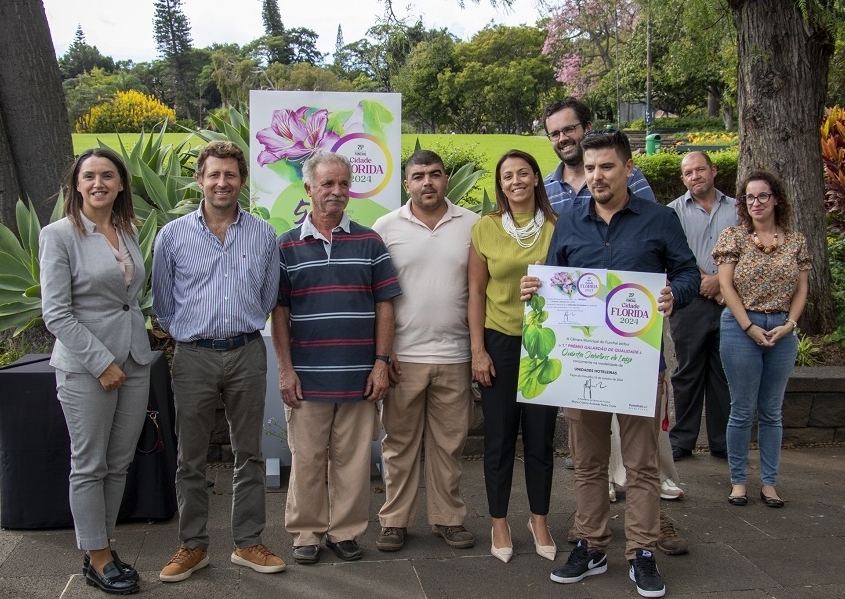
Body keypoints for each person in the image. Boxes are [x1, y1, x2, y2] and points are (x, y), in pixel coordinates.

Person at [521, 130, 698, 597]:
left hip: (637, 363)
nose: (597, 176)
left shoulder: (659, 220)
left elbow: (687, 273)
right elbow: (554, 280)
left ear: (628, 169)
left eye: (607, 167)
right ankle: (592, 544)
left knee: (640, 466)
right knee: (587, 462)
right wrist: (534, 291)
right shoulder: (571, 222)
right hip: (581, 365)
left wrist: (671, 294)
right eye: (591, 167)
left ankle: (641, 551)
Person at [152, 141, 285, 582]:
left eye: (230, 175)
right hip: (194, 357)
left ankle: (248, 543)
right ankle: (192, 546)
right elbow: (164, 304)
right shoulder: (172, 236)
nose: (222, 182)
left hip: (248, 352)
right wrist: (192, 335)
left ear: (242, 181)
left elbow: (268, 296)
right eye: (214, 174)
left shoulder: (263, 235)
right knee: (190, 458)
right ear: (200, 179)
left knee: (249, 453)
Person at [271, 151, 401, 565]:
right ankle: (306, 532)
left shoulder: (369, 241)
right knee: (307, 459)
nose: (337, 192)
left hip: (360, 376)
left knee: (352, 461)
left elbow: (385, 305)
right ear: (308, 189)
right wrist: (286, 370)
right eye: (327, 184)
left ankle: (345, 532)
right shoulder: (286, 245)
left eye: (343, 184)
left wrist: (381, 362)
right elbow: (280, 313)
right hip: (307, 378)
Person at [40, 148, 154, 595]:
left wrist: (125, 358)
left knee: (119, 463)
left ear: (122, 184)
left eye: (108, 175)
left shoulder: (125, 230)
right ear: (76, 184)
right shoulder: (59, 235)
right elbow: (56, 313)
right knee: (89, 465)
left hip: (135, 360)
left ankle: (103, 546)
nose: (98, 183)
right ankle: (98, 557)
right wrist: (102, 362)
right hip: (88, 366)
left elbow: (128, 300)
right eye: (89, 176)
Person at [371, 150, 478, 552]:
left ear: (446, 179)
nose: (427, 182)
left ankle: (448, 519)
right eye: (418, 176)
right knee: (398, 444)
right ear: (407, 184)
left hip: (456, 354)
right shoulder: (385, 227)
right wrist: (382, 352)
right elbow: (375, 295)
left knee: (449, 445)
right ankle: (394, 521)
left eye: (435, 174)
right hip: (404, 356)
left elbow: (479, 291)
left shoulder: (471, 224)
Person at [468, 149, 560, 564]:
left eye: (524, 173)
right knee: (500, 439)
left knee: (540, 439)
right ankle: (499, 520)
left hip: (545, 345)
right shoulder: (485, 229)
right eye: (507, 176)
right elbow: (474, 294)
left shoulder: (559, 227)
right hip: (500, 342)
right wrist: (477, 351)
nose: (516, 181)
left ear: (537, 178)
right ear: (500, 184)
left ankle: (538, 519)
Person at [713, 169, 811, 508]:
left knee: (771, 411)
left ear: (776, 199)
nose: (755, 202)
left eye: (762, 196)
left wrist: (790, 324)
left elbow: (802, 289)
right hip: (741, 327)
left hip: (782, 329)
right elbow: (725, 286)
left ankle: (769, 483)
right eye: (749, 197)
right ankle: (738, 481)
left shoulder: (796, 241)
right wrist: (749, 327)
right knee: (741, 409)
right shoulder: (734, 237)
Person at [668, 151, 737, 461]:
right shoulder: (673, 213)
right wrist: (705, 282)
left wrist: (722, 285)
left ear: (713, 171)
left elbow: (747, 252)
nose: (694, 176)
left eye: (699, 169)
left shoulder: (738, 209)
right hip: (689, 301)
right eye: (688, 173)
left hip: (731, 301)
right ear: (683, 179)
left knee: (724, 371)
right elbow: (673, 255)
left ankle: (722, 443)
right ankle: (683, 441)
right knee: (687, 371)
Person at [542, 97, 655, 215]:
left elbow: (650, 223)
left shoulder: (627, 176)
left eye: (569, 129)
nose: (562, 138)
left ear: (588, 128)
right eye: (555, 134)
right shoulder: (544, 190)